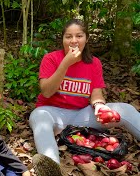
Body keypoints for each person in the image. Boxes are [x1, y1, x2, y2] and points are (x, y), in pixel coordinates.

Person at [29, 19, 140, 164]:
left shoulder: (94, 63)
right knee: (39, 117)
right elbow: (47, 92)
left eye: (79, 36)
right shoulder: (51, 59)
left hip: (80, 115)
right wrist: (65, 64)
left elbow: (96, 94)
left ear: (86, 39)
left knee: (126, 109)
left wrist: (100, 106)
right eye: (68, 36)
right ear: (63, 39)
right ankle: (51, 165)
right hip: (51, 113)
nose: (73, 40)